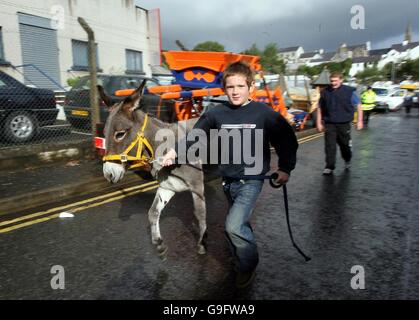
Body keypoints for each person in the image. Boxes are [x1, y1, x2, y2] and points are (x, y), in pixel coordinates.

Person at [161, 61, 298, 288]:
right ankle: (242, 251)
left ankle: (248, 265)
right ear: (224, 89)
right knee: (240, 223)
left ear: (251, 87)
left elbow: (286, 140)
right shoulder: (217, 113)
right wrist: (175, 151)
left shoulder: (264, 113)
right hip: (228, 182)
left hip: (252, 181)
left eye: (240, 86)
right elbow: (196, 135)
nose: (235, 91)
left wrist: (285, 168)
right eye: (230, 87)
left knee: (233, 226)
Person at [316, 72, 363, 176]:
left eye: (335, 81)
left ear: (341, 80)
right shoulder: (325, 92)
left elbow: (359, 105)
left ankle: (347, 160)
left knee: (345, 145)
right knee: (330, 146)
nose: (333, 83)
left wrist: (360, 121)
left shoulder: (349, 92)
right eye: (332, 81)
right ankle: (329, 166)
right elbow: (319, 108)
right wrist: (318, 123)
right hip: (330, 123)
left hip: (344, 123)